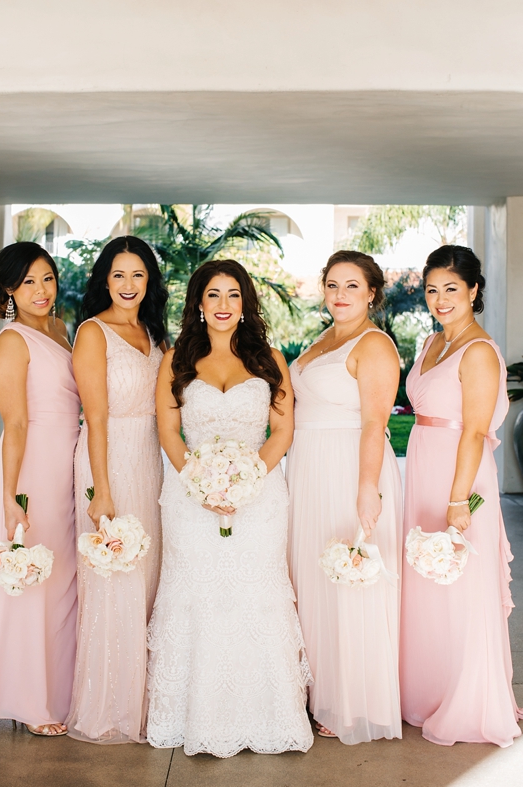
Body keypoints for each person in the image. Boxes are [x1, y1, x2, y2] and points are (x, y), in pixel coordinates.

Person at [144, 259, 311, 757]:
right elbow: (168, 432)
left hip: (259, 498)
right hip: (188, 496)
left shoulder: (270, 359)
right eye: (213, 295)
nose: (223, 305)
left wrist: (247, 480)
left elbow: (282, 430)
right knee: (196, 592)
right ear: (198, 302)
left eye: (233, 295)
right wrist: (199, 482)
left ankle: (268, 715)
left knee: (254, 594)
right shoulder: (175, 360)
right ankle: (189, 715)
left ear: (246, 303)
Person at [399, 245, 522, 746]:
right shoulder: (431, 343)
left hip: (461, 481)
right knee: (427, 589)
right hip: (423, 471)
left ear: (473, 291)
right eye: (432, 289)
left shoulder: (478, 351)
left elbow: (474, 431)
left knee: (461, 585)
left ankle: (468, 699)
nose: (440, 298)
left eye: (452, 288)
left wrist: (456, 503)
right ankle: (426, 691)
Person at [285, 250, 402, 744]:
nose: (340, 294)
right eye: (333, 284)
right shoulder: (323, 339)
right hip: (307, 468)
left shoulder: (374, 344)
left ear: (372, 292)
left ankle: (350, 701)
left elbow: (376, 422)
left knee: (348, 582)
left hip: (349, 468)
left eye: (352, 286)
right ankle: (318, 691)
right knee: (312, 581)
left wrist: (367, 489)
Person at [65, 236, 167, 745]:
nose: (128, 286)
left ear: (150, 282)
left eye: (138, 276)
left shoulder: (154, 333)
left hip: (151, 459)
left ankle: (151, 699)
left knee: (149, 575)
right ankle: (111, 705)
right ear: (105, 278)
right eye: (119, 275)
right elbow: (95, 416)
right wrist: (100, 491)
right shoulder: (92, 332)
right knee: (115, 575)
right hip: (108, 459)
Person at [0, 241, 79, 736]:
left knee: (66, 581)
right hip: (32, 468)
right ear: (8, 291)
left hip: (71, 465)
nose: (40, 291)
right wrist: (12, 500)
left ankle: (64, 691)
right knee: (33, 580)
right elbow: (14, 424)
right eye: (27, 282)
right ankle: (30, 701)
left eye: (47, 279)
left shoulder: (62, 331)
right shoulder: (11, 343)